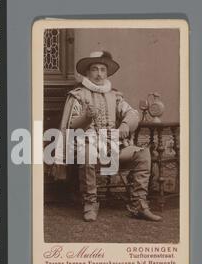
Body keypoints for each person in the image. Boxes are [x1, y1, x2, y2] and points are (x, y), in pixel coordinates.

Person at [52, 51, 162, 222]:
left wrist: (125, 125)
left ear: (107, 73)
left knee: (143, 153)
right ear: (87, 73)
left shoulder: (114, 95)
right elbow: (70, 126)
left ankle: (138, 204)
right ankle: (90, 202)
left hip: (113, 147)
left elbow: (132, 113)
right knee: (87, 152)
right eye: (94, 69)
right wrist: (86, 116)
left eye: (103, 69)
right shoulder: (78, 95)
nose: (99, 74)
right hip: (87, 147)